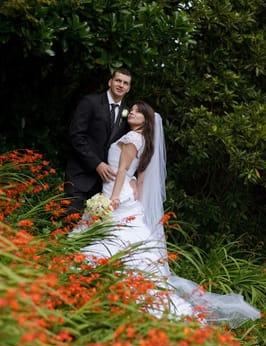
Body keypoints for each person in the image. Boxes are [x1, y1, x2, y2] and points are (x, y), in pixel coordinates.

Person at [74, 101, 260, 328]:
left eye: (137, 112)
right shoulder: (143, 140)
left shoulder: (133, 138)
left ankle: (98, 282)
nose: (131, 112)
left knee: (113, 238)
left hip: (116, 192)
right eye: (130, 110)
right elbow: (135, 174)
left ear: (146, 119)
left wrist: (113, 197)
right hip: (123, 191)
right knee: (122, 240)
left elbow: (122, 169)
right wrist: (131, 183)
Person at [64, 68, 132, 214]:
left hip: (105, 184)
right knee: (69, 222)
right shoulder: (90, 102)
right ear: (110, 82)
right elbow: (76, 135)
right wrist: (96, 163)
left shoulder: (128, 113)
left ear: (128, 88)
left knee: (91, 232)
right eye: (118, 81)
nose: (121, 85)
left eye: (125, 83)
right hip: (80, 176)